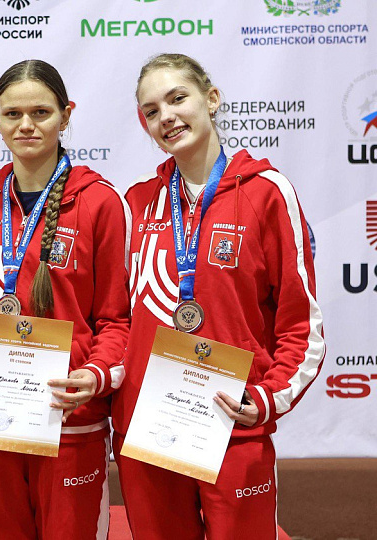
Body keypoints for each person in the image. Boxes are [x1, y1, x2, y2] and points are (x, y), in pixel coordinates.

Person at [112, 53, 325, 539]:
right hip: (150, 431)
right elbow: (114, 318)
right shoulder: (137, 203)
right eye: (151, 111)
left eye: (177, 99)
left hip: (231, 424)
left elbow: (302, 324)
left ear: (211, 99)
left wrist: (267, 398)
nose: (166, 117)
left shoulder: (267, 193)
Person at [0, 59, 131, 539]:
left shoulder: (100, 202)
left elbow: (118, 320)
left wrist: (95, 374)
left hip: (66, 418)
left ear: (66, 115)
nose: (26, 125)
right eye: (12, 114)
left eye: (41, 112)